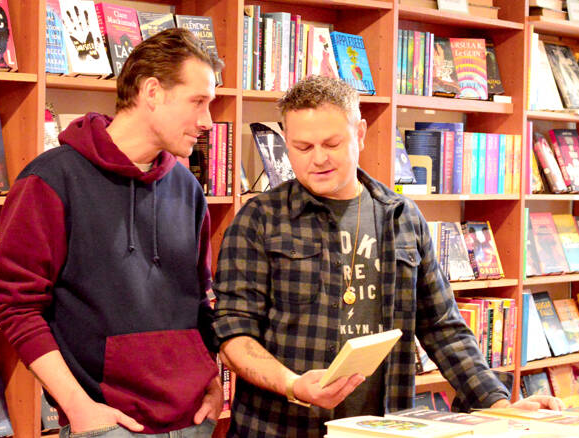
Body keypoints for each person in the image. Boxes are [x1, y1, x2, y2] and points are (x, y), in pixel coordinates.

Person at [211, 75, 563, 437]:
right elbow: (234, 333)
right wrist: (294, 385)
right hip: (279, 428)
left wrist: (498, 404)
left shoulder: (402, 217)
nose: (318, 159)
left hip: (382, 427)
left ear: (360, 132)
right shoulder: (260, 219)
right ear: (287, 141)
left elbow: (442, 325)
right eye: (302, 147)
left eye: (332, 143)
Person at [0, 28, 224, 437]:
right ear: (152, 92)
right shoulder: (52, 179)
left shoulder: (187, 188)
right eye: (198, 102)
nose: (208, 121)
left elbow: (198, 300)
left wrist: (212, 382)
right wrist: (78, 407)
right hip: (106, 424)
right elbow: (14, 305)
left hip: (194, 421)